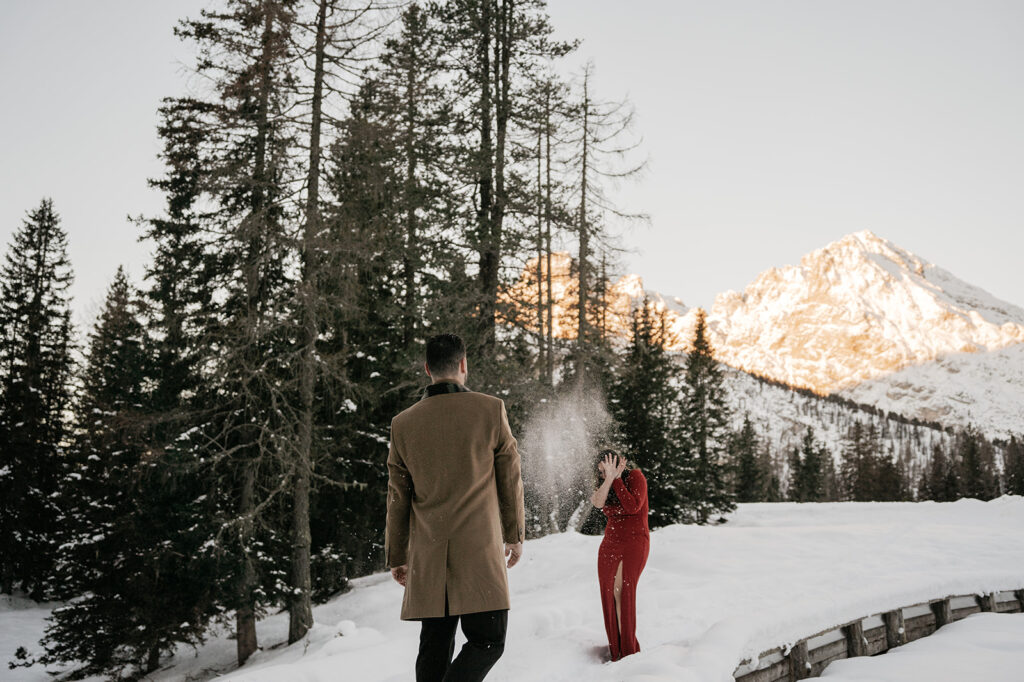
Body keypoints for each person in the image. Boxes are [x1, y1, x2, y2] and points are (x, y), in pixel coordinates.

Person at [385, 333, 526, 682]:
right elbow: (510, 478)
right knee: (488, 642)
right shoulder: (490, 409)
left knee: (434, 645)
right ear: (463, 365)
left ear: (427, 368)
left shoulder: (403, 423)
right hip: (478, 553)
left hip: (430, 556)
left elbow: (397, 497)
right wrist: (515, 534)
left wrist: (396, 555)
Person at [591, 449, 649, 662]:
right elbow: (597, 503)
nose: (601, 474)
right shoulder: (604, 482)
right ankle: (617, 650)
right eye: (600, 471)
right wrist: (608, 479)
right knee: (608, 592)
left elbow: (633, 507)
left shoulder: (635, 477)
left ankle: (628, 652)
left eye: (605, 469)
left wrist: (617, 480)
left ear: (615, 464)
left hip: (634, 541)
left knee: (622, 591)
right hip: (610, 543)